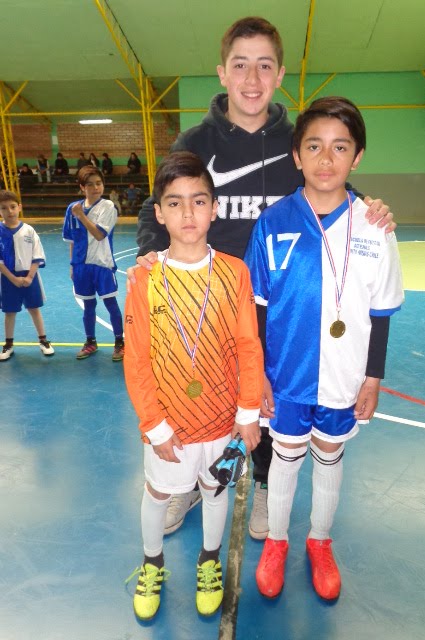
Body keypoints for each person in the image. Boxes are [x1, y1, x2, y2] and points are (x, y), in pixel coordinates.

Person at [134, 16, 396, 541]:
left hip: (272, 311)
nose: (252, 78)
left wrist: (373, 209)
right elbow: (157, 202)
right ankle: (186, 483)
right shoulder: (196, 140)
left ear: (279, 76)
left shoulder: (295, 140)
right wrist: (149, 255)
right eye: (240, 66)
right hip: (201, 305)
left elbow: (334, 186)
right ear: (222, 74)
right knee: (194, 399)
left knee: (267, 405)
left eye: (264, 66)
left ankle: (260, 483)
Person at [244, 96, 404, 601]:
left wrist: (373, 377)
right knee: (286, 458)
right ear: (296, 155)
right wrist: (260, 377)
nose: (326, 159)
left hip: (345, 376)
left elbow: (380, 314)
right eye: (314, 146)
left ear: (357, 157)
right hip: (286, 375)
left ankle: (319, 541)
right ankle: (277, 542)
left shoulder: (375, 228)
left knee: (330, 457)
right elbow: (258, 307)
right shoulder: (272, 223)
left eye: (340, 147)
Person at [123, 151, 263, 620]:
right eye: (175, 203)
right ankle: (151, 561)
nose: (188, 213)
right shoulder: (145, 278)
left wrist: (248, 412)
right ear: (159, 212)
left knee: (215, 488)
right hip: (169, 423)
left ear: (214, 208)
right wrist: (154, 425)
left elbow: (247, 345)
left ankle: (208, 561)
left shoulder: (234, 272)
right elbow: (137, 359)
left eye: (199, 201)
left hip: (222, 417)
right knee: (160, 494)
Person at [62, 165, 125, 361]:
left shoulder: (107, 207)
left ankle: (119, 343)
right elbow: (71, 240)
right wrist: (73, 265)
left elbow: (99, 234)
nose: (95, 188)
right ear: (82, 187)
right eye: (90, 184)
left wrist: (81, 215)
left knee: (111, 304)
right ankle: (91, 342)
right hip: (81, 267)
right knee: (88, 306)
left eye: (99, 183)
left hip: (102, 265)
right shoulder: (72, 209)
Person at [0, 190, 55, 360]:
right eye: (4, 208)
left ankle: (43, 340)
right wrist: (13, 278)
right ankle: (8, 344)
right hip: (8, 278)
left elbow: (36, 256)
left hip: (29, 276)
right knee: (10, 312)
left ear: (19, 207)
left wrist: (30, 277)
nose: (9, 211)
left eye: (13, 207)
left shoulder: (29, 231)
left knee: (34, 309)